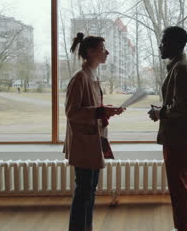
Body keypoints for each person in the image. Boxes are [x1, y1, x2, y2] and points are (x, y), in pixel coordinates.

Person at [64, 32, 124, 231]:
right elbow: (72, 112)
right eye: (102, 49)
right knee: (84, 192)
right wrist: (101, 110)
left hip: (93, 141)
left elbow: (91, 109)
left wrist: (106, 110)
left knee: (89, 191)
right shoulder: (79, 78)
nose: (107, 52)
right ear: (90, 52)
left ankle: (86, 227)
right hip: (83, 143)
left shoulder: (92, 76)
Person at [148, 26, 187, 231]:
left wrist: (161, 113)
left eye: (164, 41)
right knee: (179, 184)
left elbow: (184, 106)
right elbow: (180, 104)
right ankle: (184, 226)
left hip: (178, 137)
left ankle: (183, 228)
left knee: (178, 186)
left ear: (177, 44)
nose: (160, 45)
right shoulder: (179, 67)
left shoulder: (181, 69)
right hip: (177, 136)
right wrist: (162, 109)